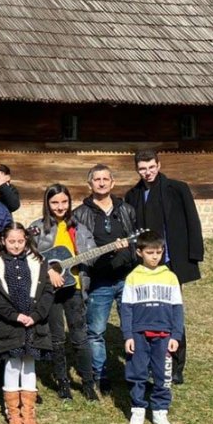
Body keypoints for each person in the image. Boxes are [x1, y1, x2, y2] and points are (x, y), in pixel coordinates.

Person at [123, 150, 202, 384]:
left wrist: (194, 255)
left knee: (171, 312)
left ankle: (176, 365)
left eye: (151, 167)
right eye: (142, 169)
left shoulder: (177, 189)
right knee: (147, 313)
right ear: (137, 169)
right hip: (145, 264)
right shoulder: (133, 195)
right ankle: (149, 361)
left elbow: (191, 220)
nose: (147, 172)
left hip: (171, 261)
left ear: (159, 165)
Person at [0, 224, 54, 424]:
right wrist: (14, 315)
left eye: (20, 241)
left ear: (26, 240)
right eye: (11, 241)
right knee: (12, 364)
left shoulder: (37, 261)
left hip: (32, 320)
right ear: (3, 240)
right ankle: (13, 412)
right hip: (8, 322)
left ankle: (28, 413)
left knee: (29, 364)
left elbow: (47, 291)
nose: (16, 245)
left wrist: (36, 315)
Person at [72, 164, 139, 394]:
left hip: (126, 278)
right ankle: (101, 375)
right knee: (96, 331)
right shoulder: (80, 214)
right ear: (89, 184)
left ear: (113, 183)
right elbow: (79, 247)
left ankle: (135, 374)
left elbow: (135, 241)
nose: (101, 183)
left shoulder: (126, 210)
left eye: (105, 179)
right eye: (96, 179)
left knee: (132, 327)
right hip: (99, 281)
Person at [28, 184, 97, 402]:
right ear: (47, 204)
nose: (60, 206)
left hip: (74, 288)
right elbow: (29, 255)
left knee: (80, 337)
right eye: (55, 202)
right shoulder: (37, 228)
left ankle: (88, 383)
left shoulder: (79, 228)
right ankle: (63, 383)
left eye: (64, 202)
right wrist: (48, 270)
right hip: (50, 292)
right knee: (56, 338)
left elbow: (92, 256)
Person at [120, 231, 184, 424]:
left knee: (162, 375)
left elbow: (177, 309)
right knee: (137, 372)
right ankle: (138, 409)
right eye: (150, 252)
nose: (155, 256)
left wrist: (176, 336)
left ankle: (160, 411)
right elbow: (126, 308)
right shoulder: (133, 277)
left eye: (158, 252)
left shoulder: (170, 277)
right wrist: (128, 335)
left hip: (164, 335)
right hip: (139, 334)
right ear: (139, 252)